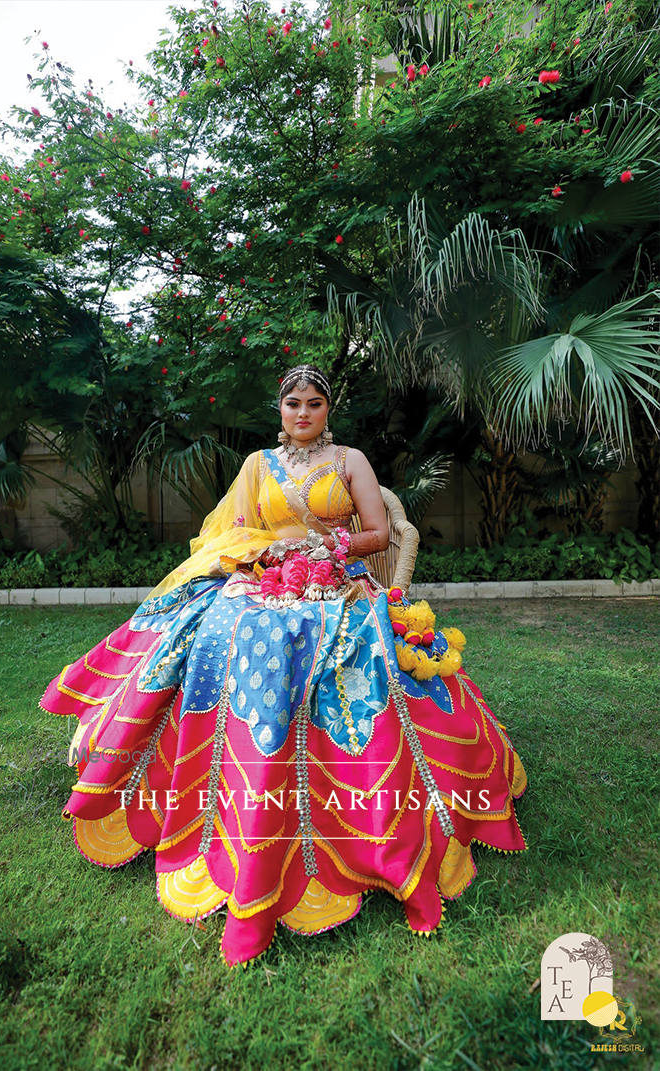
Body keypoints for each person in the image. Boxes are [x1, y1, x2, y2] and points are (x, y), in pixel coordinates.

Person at [40, 364, 527, 969]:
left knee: (355, 650)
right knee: (212, 630)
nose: (302, 413)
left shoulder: (351, 460)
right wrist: (266, 554)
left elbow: (379, 532)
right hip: (264, 579)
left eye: (314, 403)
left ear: (329, 410)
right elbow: (234, 533)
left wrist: (328, 547)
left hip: (337, 584)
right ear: (280, 409)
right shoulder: (255, 467)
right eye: (293, 403)